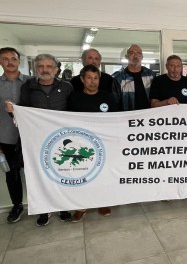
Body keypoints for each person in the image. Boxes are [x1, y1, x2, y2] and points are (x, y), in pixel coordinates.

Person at [18, 54, 73, 226]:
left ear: (56, 69)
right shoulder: (28, 87)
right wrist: (13, 111)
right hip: (37, 140)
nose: (45, 69)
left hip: (61, 139)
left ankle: (63, 207)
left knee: (62, 173)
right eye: (40, 66)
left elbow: (73, 111)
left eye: (49, 66)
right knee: (40, 175)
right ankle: (44, 209)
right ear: (35, 68)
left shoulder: (66, 87)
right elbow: (23, 111)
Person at [68, 64, 118, 221]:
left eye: (96, 78)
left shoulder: (108, 97)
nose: (93, 81)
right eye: (89, 78)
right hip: (81, 144)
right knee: (82, 175)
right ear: (82, 79)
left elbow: (117, 120)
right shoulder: (74, 98)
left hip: (104, 144)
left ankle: (102, 202)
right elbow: (67, 121)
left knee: (103, 175)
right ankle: (81, 207)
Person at [0, 47, 30, 223]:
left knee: (37, 171)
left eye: (13, 58)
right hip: (6, 137)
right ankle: (17, 205)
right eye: (5, 59)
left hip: (31, 137)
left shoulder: (31, 82)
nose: (9, 62)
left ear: (19, 61)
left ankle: (42, 204)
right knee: (12, 174)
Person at [112, 44, 155, 110]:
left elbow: (156, 97)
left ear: (142, 57)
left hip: (149, 114)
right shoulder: (119, 78)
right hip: (128, 115)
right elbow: (115, 102)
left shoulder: (150, 75)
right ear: (126, 56)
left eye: (139, 53)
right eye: (132, 53)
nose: (135, 56)